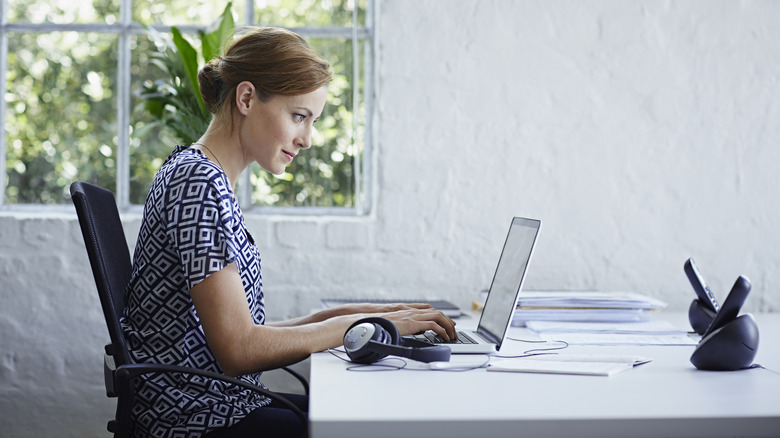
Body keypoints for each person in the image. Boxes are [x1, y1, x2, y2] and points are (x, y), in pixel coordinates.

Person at [123, 26, 457, 438]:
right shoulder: (198, 183)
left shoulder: (203, 175)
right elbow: (239, 350)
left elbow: (246, 334)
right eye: (299, 116)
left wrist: (380, 316)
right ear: (246, 98)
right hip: (199, 419)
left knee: (377, 413)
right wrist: (366, 323)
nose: (308, 139)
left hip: (222, 403)